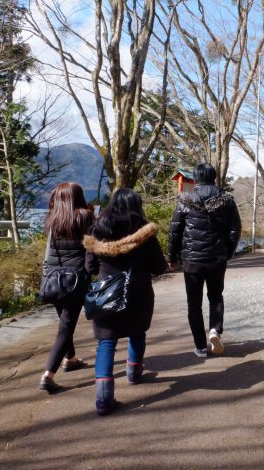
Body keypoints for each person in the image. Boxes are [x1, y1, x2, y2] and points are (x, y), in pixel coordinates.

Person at [83, 189, 167, 415]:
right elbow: (159, 267)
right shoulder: (145, 233)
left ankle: (103, 398)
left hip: (106, 294)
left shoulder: (97, 230)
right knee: (137, 332)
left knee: (106, 342)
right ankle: (134, 371)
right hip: (138, 292)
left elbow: (90, 267)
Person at [168, 163, 241, 358]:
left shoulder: (186, 199)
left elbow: (175, 231)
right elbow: (235, 229)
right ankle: (215, 330)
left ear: (196, 178)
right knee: (216, 296)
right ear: (213, 177)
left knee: (194, 304)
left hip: (192, 259)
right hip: (217, 258)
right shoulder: (226, 200)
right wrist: (229, 252)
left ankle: (200, 347)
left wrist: (172, 256)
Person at [38, 182, 94, 394]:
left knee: (64, 321)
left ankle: (70, 358)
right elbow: (91, 246)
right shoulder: (86, 217)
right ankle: (48, 375)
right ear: (78, 197)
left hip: (53, 279)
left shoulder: (52, 219)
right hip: (75, 280)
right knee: (66, 327)